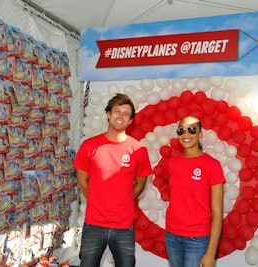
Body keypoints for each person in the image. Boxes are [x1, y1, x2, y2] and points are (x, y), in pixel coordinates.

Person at [73, 93, 152, 267]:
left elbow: (140, 182)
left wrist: (124, 201)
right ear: (108, 114)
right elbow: (82, 180)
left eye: (126, 114)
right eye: (117, 111)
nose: (120, 116)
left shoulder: (138, 150)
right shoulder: (89, 146)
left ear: (130, 121)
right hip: (93, 224)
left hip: (124, 226)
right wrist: (96, 199)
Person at [165, 115, 225, 267]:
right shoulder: (172, 163)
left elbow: (217, 213)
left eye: (192, 130)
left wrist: (211, 254)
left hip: (197, 239)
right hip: (171, 236)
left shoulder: (212, 165)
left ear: (200, 134)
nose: (186, 134)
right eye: (181, 130)